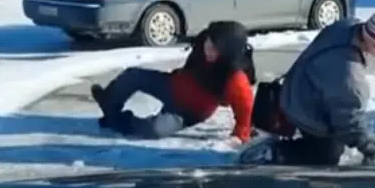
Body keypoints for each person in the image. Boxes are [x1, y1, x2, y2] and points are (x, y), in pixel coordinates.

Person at [248, 10, 375, 167]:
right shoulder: (348, 71)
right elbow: (349, 119)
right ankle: (274, 152)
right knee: (326, 157)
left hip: (300, 85)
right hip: (305, 106)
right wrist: (371, 150)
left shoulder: (346, 26)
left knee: (335, 139)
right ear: (371, 40)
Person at [91, 21, 256, 142]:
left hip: (187, 112)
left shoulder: (235, 78)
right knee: (133, 76)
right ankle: (109, 102)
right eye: (208, 44)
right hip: (172, 85)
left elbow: (245, 111)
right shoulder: (203, 43)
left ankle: (119, 121)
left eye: (215, 49)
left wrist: (240, 136)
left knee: (154, 130)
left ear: (227, 53)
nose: (208, 50)